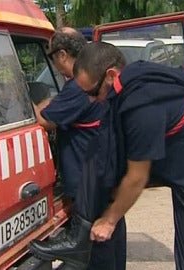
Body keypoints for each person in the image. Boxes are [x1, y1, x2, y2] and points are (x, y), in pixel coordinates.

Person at [72, 41, 184, 269]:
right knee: (109, 178)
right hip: (180, 157)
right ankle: (79, 237)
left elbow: (137, 178)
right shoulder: (133, 79)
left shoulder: (143, 104)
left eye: (92, 92)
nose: (91, 100)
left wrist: (110, 220)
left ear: (111, 75)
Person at [29, 28, 126, 269]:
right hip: (107, 176)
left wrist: (21, 99)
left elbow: (44, 118)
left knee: (96, 249)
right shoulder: (92, 80)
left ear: (62, 55)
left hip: (89, 180)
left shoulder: (79, 87)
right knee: (112, 242)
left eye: (52, 57)